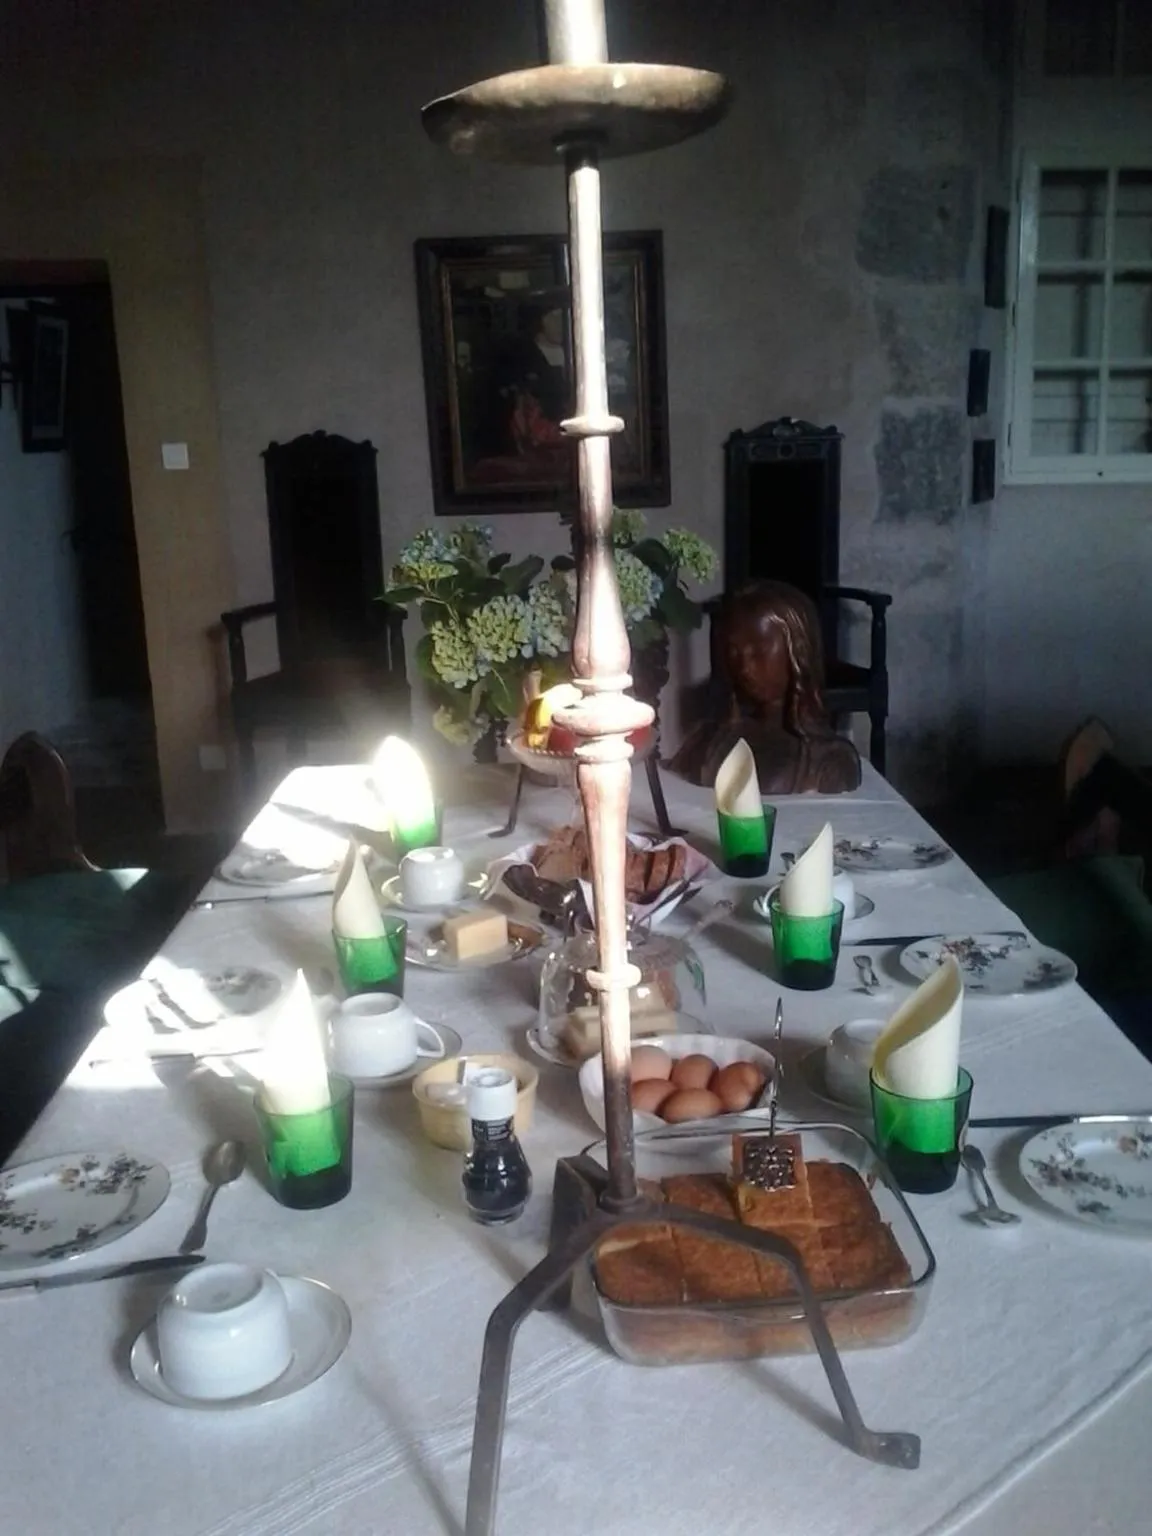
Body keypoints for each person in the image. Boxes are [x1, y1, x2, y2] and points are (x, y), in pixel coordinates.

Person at [668, 581, 862, 794]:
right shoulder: (706, 740)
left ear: (797, 652)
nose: (744, 667)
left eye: (758, 652)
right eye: (734, 653)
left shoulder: (828, 759)